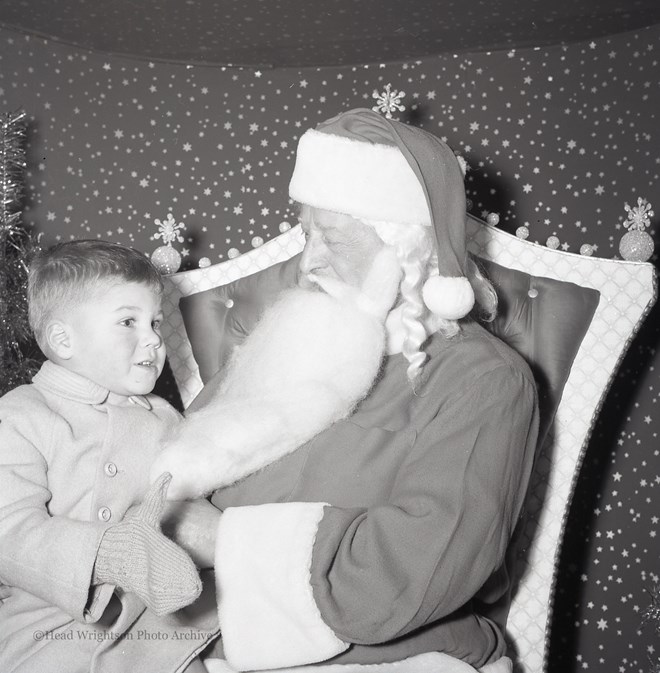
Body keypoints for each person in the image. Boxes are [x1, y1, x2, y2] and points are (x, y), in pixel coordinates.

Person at [157, 108, 541, 673]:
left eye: (333, 238)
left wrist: (220, 540)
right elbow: (161, 486)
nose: (308, 262)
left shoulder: (485, 381)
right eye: (305, 233)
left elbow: (400, 578)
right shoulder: (286, 341)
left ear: (408, 249)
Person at [0, 240, 221, 673]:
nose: (154, 339)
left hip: (159, 619)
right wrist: (104, 555)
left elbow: (199, 498)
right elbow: (8, 530)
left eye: (155, 322)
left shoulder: (163, 416)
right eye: (128, 321)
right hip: (52, 624)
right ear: (64, 338)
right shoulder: (21, 414)